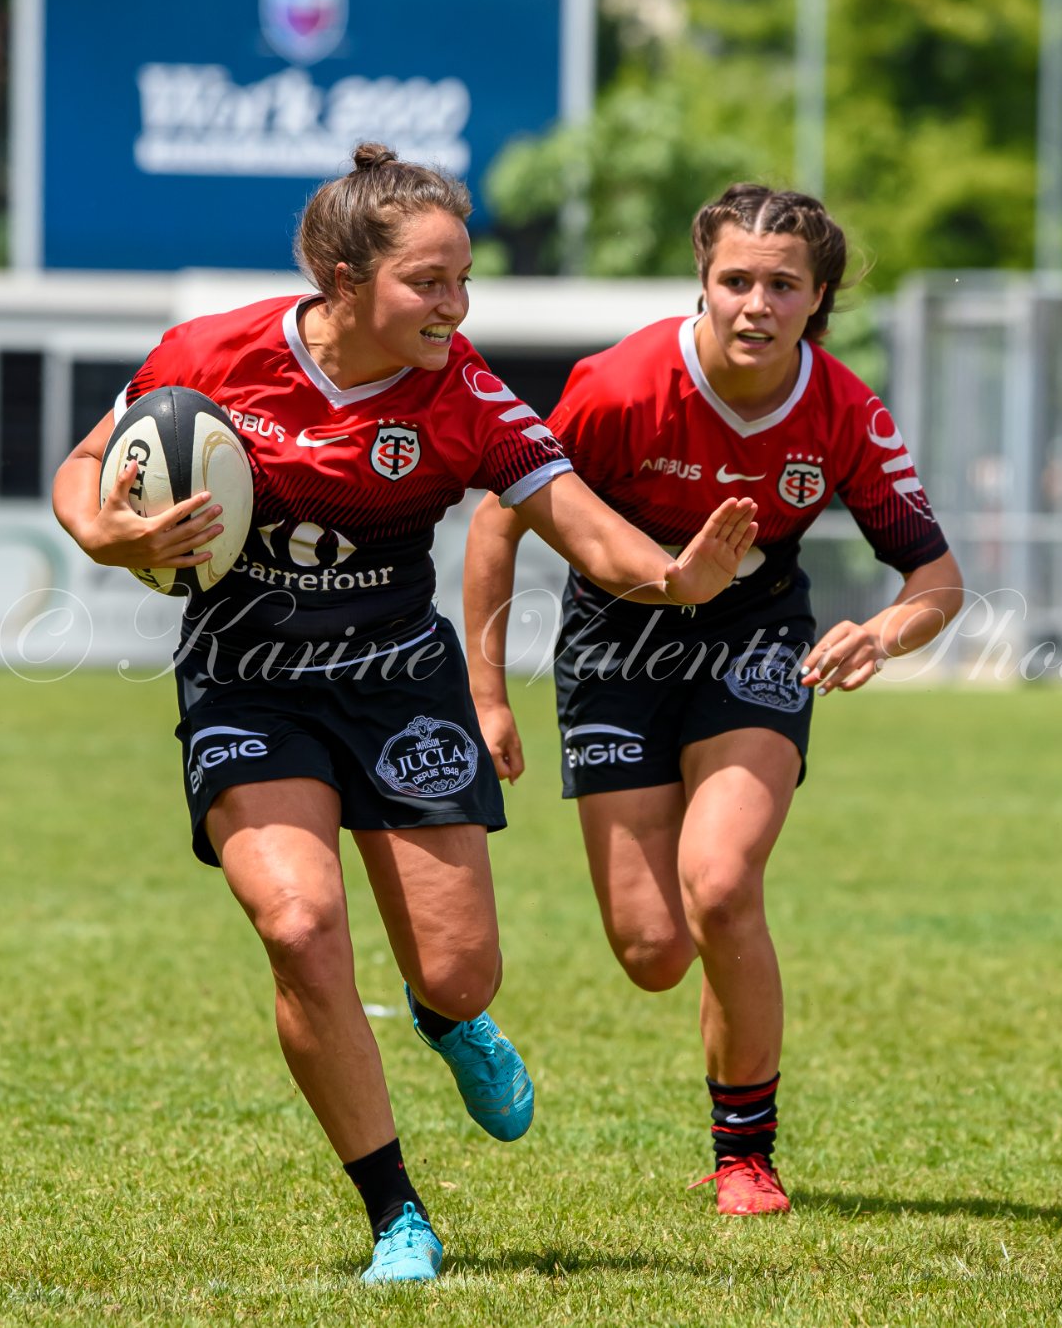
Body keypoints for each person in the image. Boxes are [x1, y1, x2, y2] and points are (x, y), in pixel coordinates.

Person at [49, 145, 758, 1283]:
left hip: (398, 687)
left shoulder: (466, 392)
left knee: (460, 970)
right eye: (428, 282)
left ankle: (448, 1019)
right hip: (247, 682)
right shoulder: (210, 355)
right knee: (296, 926)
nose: (453, 305)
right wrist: (110, 534)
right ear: (341, 276)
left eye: (462, 280)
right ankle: (397, 1215)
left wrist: (680, 577)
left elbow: (581, 523)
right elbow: (84, 470)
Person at [462, 184, 963, 1216]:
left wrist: (881, 632)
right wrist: (486, 694)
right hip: (615, 644)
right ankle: (715, 979)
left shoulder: (845, 411)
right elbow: (498, 521)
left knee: (722, 883)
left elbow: (936, 581)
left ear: (816, 298)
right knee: (651, 951)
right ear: (702, 278)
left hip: (754, 638)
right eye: (734, 279)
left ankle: (745, 1151)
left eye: (781, 285)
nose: (754, 303)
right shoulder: (620, 384)